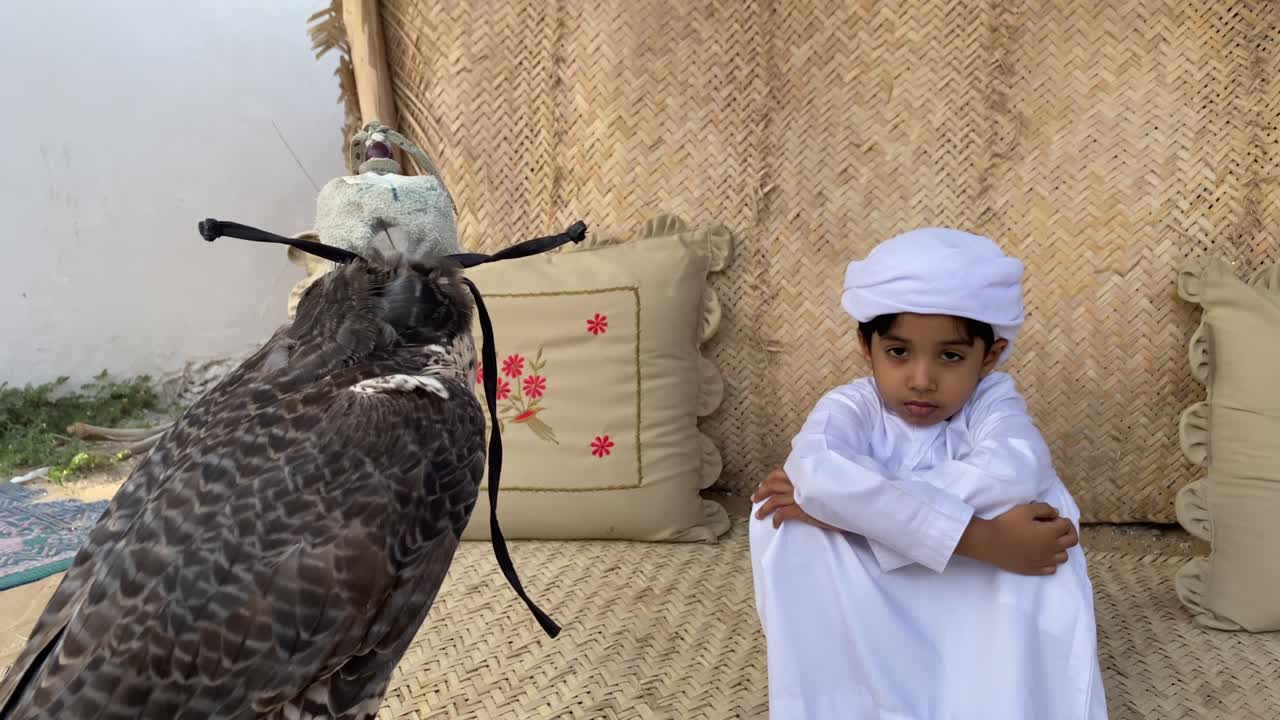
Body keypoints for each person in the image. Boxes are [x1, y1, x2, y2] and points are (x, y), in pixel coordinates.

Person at [748, 227, 1108, 719]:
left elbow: (1014, 470)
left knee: (1039, 509)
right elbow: (818, 471)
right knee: (783, 518)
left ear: (990, 357)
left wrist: (852, 509)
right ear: (866, 345)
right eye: (898, 353)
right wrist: (978, 538)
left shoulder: (993, 403)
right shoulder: (851, 406)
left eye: (950, 356)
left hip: (979, 595)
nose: (921, 380)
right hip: (872, 591)